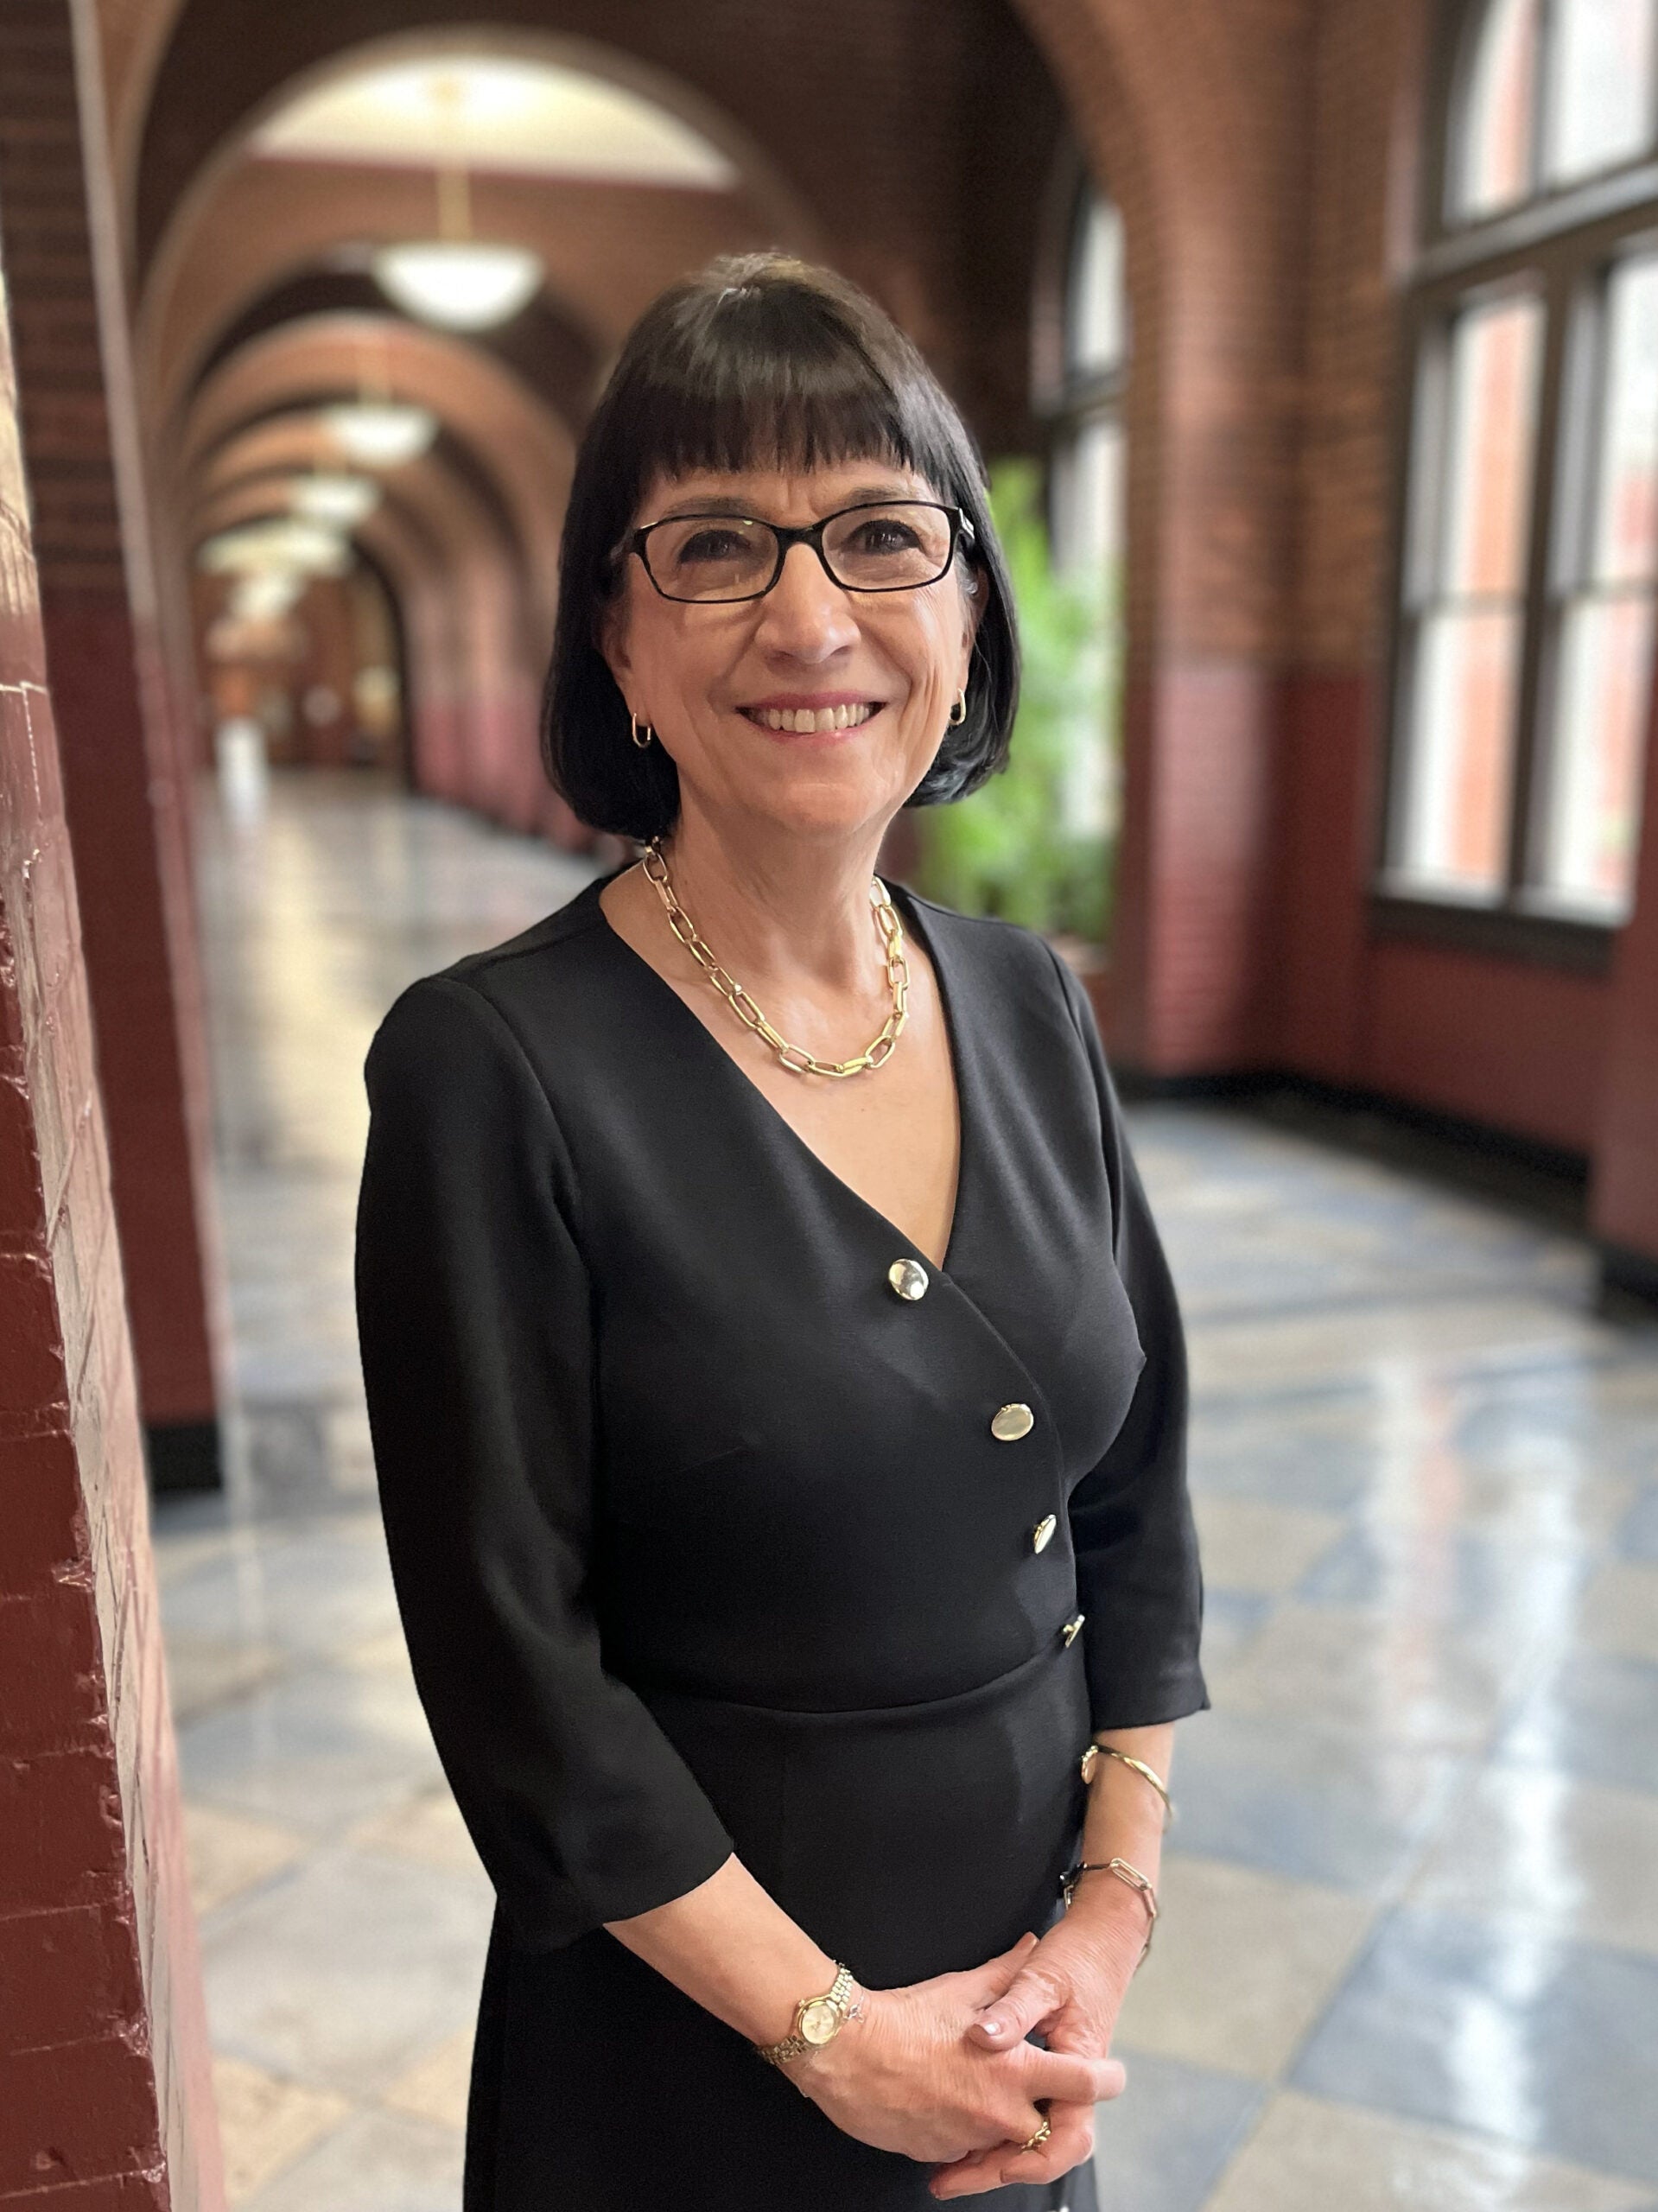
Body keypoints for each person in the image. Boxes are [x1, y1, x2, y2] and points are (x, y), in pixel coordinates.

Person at [353, 252, 1207, 2212]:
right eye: (719, 544)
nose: (812, 614)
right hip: (690, 2055)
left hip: (1015, 2046)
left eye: (883, 535)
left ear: (969, 610)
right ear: (619, 646)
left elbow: (1137, 1489)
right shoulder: (495, 1071)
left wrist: (1108, 1910)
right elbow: (517, 1676)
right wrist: (838, 2036)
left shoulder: (1025, 997)